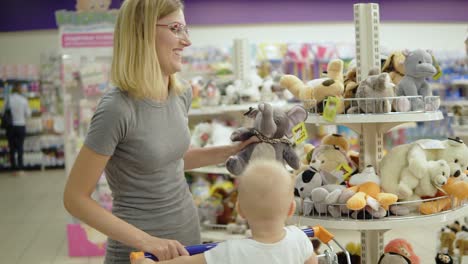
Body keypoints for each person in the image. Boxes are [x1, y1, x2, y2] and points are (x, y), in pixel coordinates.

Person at [63, 0, 258, 263]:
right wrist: (148, 242)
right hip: (140, 254)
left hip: (188, 243)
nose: (186, 41)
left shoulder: (180, 93)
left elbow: (170, 159)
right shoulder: (117, 108)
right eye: (176, 28)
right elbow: (75, 198)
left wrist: (234, 149)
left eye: (185, 29)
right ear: (142, 32)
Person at [133, 159, 318, 264]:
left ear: (239, 210)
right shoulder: (299, 239)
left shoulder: (229, 252)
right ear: (291, 208)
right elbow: (312, 262)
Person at [5, 82, 31, 176]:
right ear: (20, 89)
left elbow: (4, 112)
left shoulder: (9, 99)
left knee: (12, 148)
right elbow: (28, 114)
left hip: (11, 127)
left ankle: (13, 169)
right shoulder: (23, 100)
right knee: (20, 147)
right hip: (21, 126)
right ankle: (20, 168)